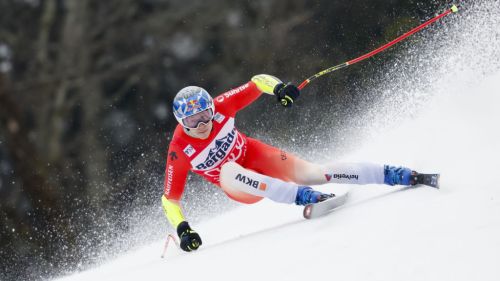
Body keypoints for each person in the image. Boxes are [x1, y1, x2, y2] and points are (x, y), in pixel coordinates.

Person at [162, 74, 419, 252]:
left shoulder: (222, 106)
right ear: (181, 122)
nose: (203, 124)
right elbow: (169, 199)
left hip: (255, 154)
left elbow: (257, 81)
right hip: (240, 185)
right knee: (229, 169)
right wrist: (184, 230)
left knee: (313, 172)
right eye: (193, 121)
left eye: (205, 115)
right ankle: (304, 197)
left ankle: (391, 174)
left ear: (211, 108)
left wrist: (279, 88)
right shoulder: (179, 150)